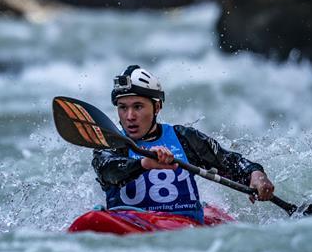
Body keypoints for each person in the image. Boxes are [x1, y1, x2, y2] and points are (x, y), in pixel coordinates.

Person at [92, 65, 275, 223]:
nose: (129, 116)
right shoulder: (110, 144)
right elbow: (108, 171)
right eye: (123, 107)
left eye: (138, 107)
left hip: (183, 224)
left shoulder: (184, 138)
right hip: (130, 223)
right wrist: (144, 164)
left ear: (157, 107)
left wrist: (256, 175)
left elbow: (231, 162)